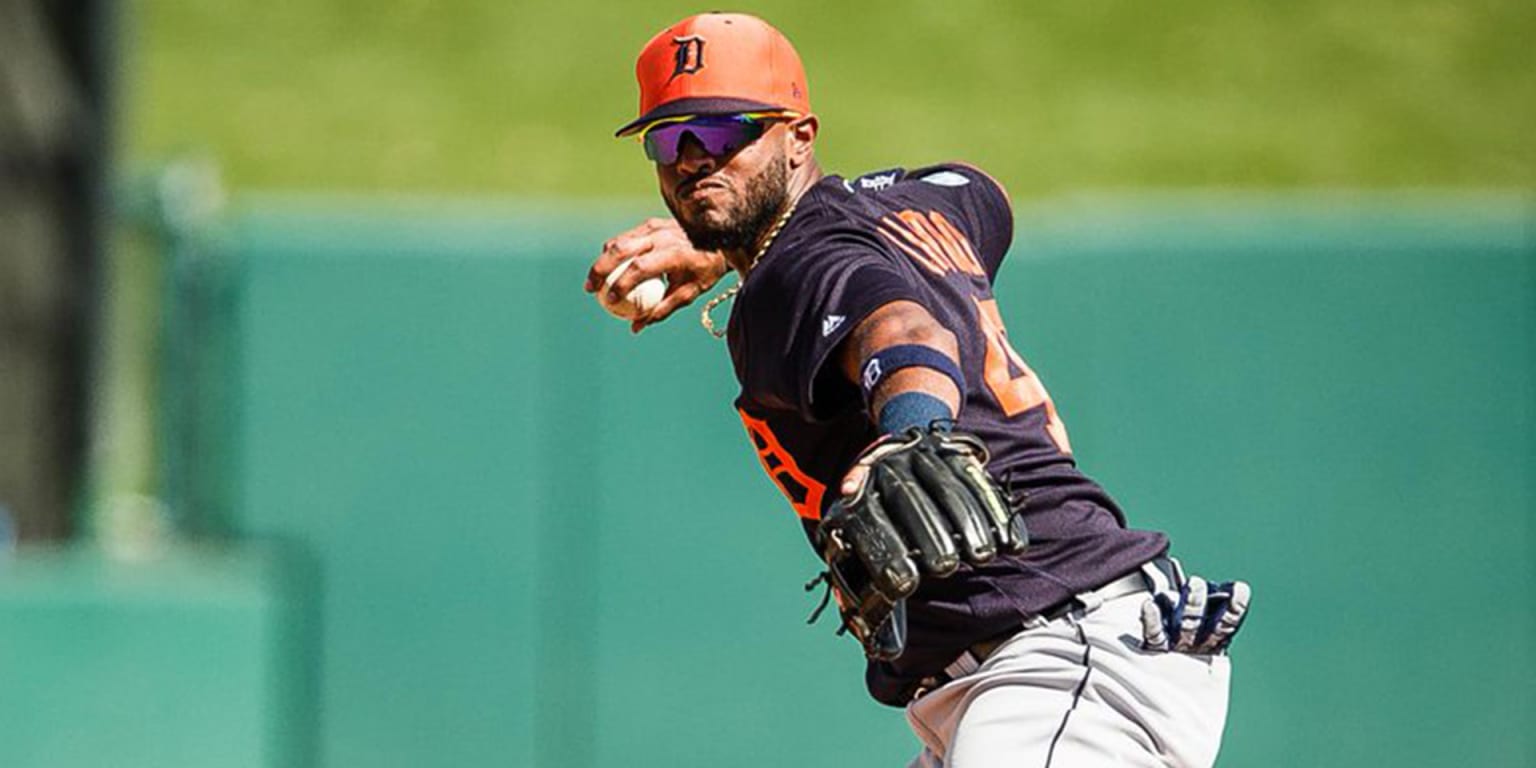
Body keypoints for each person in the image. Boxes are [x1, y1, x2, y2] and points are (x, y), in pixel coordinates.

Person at [585, 13, 1251, 768]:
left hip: (1054, 652)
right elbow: (980, 190)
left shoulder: (796, 274)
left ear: (800, 136)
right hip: (1036, 661)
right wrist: (728, 241)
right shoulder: (910, 208)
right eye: (671, 140)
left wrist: (915, 431)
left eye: (726, 131)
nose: (696, 160)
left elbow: (902, 331)